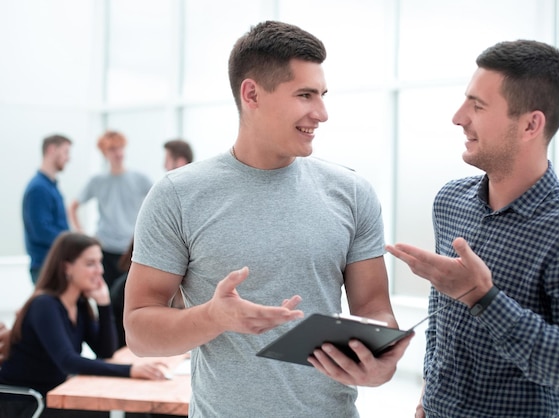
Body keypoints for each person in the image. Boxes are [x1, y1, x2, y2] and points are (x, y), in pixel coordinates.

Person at [124, 20, 413, 417]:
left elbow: (375, 309)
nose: (322, 113)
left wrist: (381, 363)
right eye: (305, 95)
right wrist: (213, 316)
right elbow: (139, 331)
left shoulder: (352, 193)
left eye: (323, 95)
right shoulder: (177, 195)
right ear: (252, 94)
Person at [386, 40, 559, 418]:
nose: (458, 117)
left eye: (477, 106)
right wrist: (427, 397)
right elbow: (443, 323)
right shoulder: (451, 201)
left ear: (531, 124)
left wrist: (484, 299)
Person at [0, 232, 167, 418]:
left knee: (136, 410)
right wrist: (130, 370)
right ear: (66, 267)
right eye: (90, 264)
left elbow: (105, 351)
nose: (100, 270)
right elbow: (68, 361)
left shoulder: (78, 304)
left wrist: (103, 304)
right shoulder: (45, 305)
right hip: (29, 402)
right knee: (125, 412)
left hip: (57, 393)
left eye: (99, 262)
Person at [69, 131, 152, 288]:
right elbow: (73, 206)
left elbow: (159, 204)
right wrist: (80, 232)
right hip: (105, 248)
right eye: (113, 149)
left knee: (127, 297)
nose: (118, 153)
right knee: (104, 295)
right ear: (104, 153)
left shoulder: (140, 179)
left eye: (120, 148)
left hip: (131, 251)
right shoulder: (97, 181)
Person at [22, 134, 72, 284]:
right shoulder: (39, 188)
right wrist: (71, 243)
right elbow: (41, 231)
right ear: (51, 150)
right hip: (46, 266)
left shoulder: (50, 186)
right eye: (65, 152)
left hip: (55, 264)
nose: (68, 158)